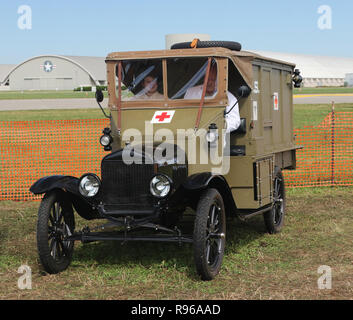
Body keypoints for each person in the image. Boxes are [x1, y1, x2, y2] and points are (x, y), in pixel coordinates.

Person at [184, 63, 240, 134]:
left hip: (217, 139)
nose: (209, 82)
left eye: (213, 79)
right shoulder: (191, 92)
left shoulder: (229, 98)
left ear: (219, 79)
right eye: (208, 79)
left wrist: (220, 126)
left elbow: (235, 120)